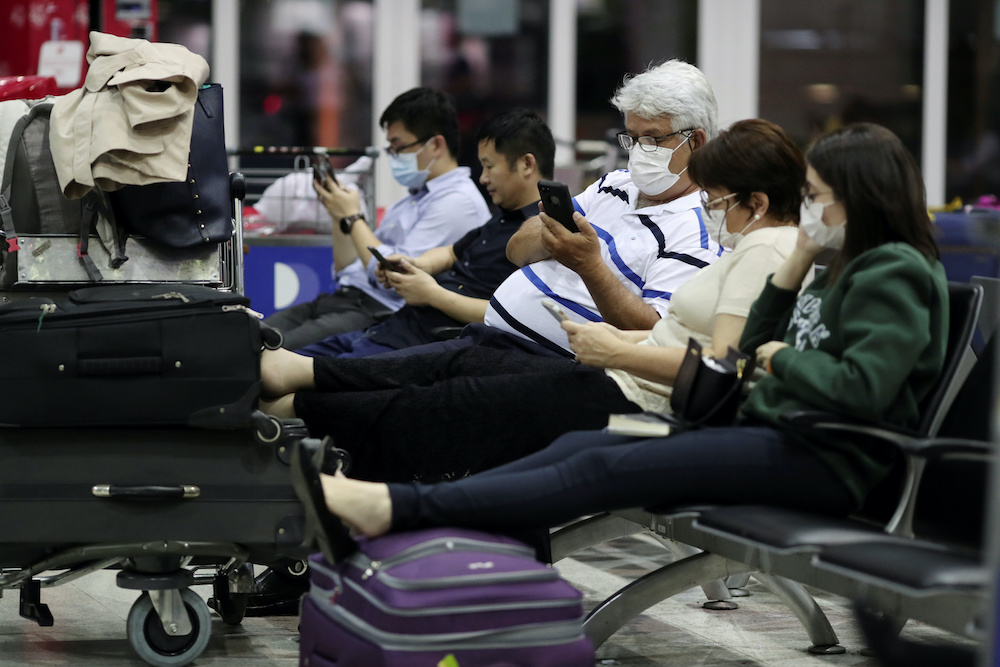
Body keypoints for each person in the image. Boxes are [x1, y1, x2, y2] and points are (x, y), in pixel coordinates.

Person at [288, 123, 950, 564]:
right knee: (582, 446)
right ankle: (408, 515)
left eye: (816, 200)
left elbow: (856, 386)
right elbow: (764, 333)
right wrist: (799, 259)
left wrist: (779, 359)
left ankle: (393, 507)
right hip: (768, 431)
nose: (805, 212)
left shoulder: (894, 270)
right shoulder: (833, 265)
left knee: (599, 466)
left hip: (825, 460)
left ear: (859, 199)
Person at [258, 117, 809, 484]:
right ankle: (302, 377)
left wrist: (615, 347)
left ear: (755, 201)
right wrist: (620, 339)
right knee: (461, 363)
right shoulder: (736, 240)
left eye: (718, 198)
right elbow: (687, 340)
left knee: (457, 400)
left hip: (635, 394)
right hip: (609, 367)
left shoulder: (762, 250)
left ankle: (308, 411)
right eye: (633, 135)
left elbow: (721, 368)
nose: (711, 207)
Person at [295, 108, 556, 358]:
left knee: (289, 375)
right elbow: (450, 252)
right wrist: (414, 264)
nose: (483, 178)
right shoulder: (499, 218)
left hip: (426, 344)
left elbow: (509, 315)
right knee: (277, 363)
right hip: (397, 326)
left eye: (489, 167)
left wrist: (432, 293)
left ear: (526, 164)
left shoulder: (543, 237)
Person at [263, 87, 491, 350]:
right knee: (251, 336)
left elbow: (394, 279)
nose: (393, 156)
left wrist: (353, 215)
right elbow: (347, 269)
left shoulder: (458, 203)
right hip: (345, 300)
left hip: (378, 313)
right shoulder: (410, 201)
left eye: (399, 147)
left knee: (273, 353)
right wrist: (340, 215)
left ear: (436, 145)